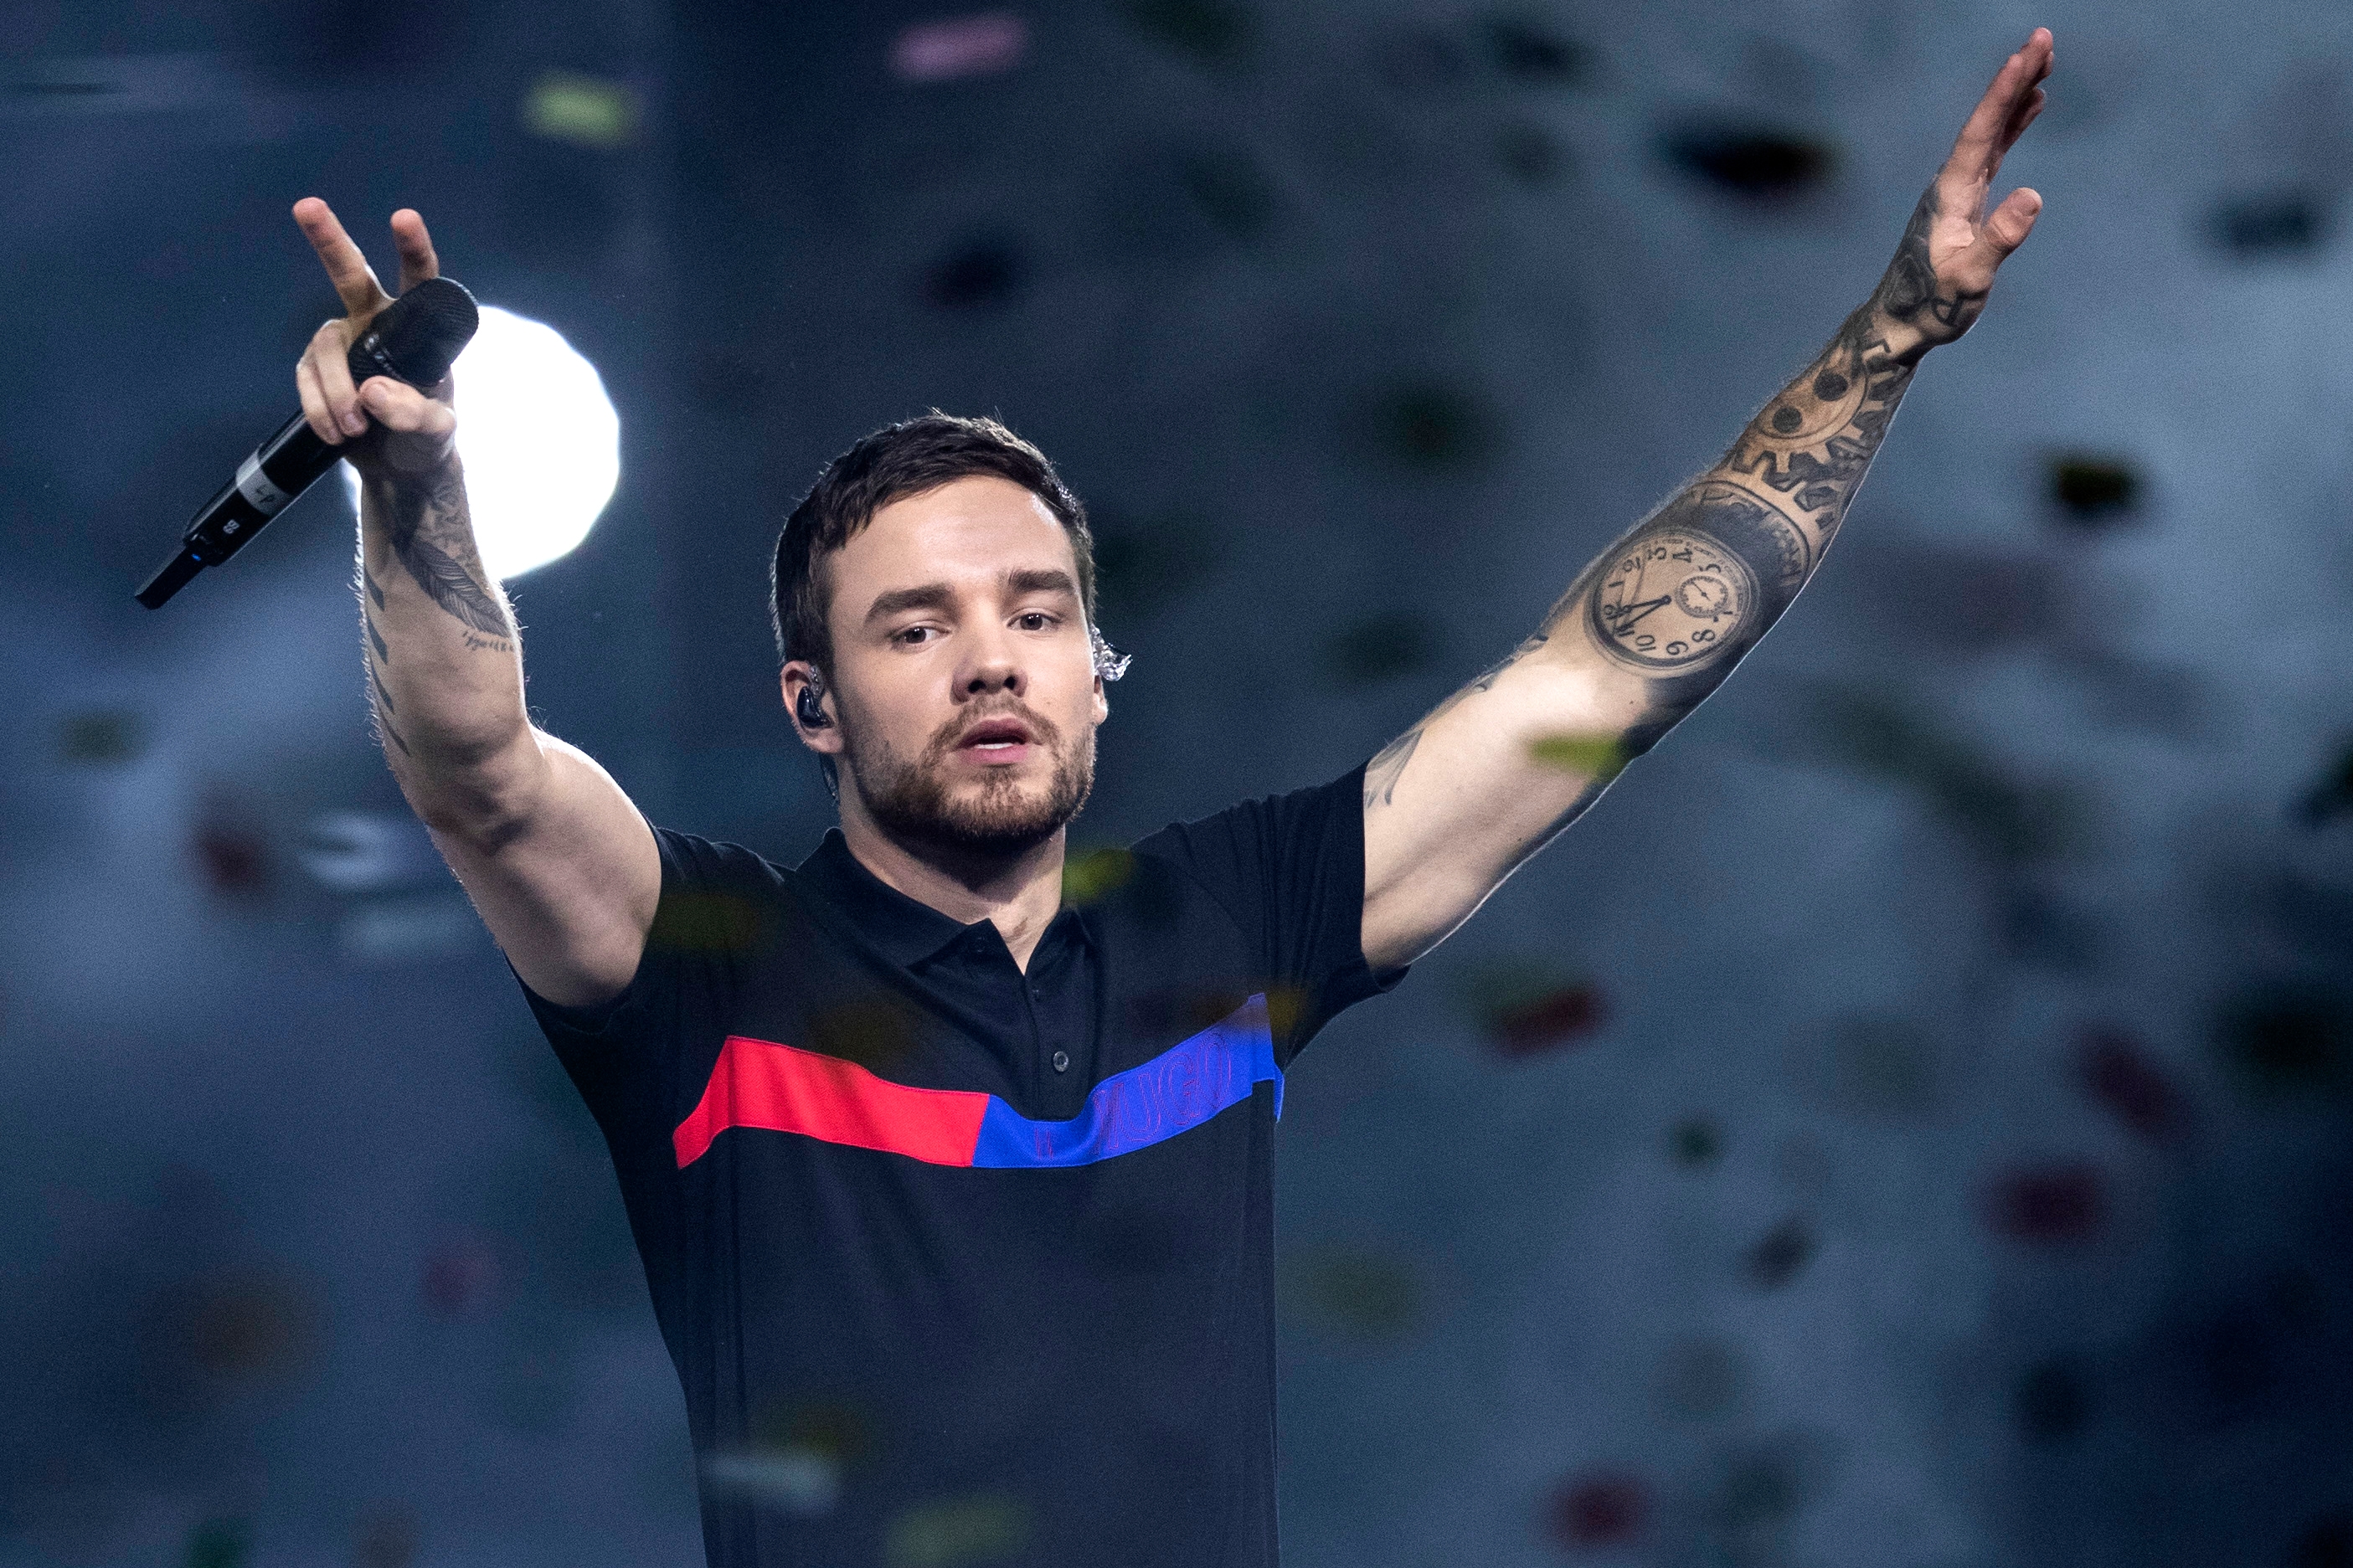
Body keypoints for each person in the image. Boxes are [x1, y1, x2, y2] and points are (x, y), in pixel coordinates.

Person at [291, 28, 2052, 1567]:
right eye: (917, 626)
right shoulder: (713, 971)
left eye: (1036, 613)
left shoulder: (1231, 922)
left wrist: (1893, 331)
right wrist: (415, 491)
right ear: (811, 705)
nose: (992, 661)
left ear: (1094, 666)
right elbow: (482, 775)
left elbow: (1597, 680)